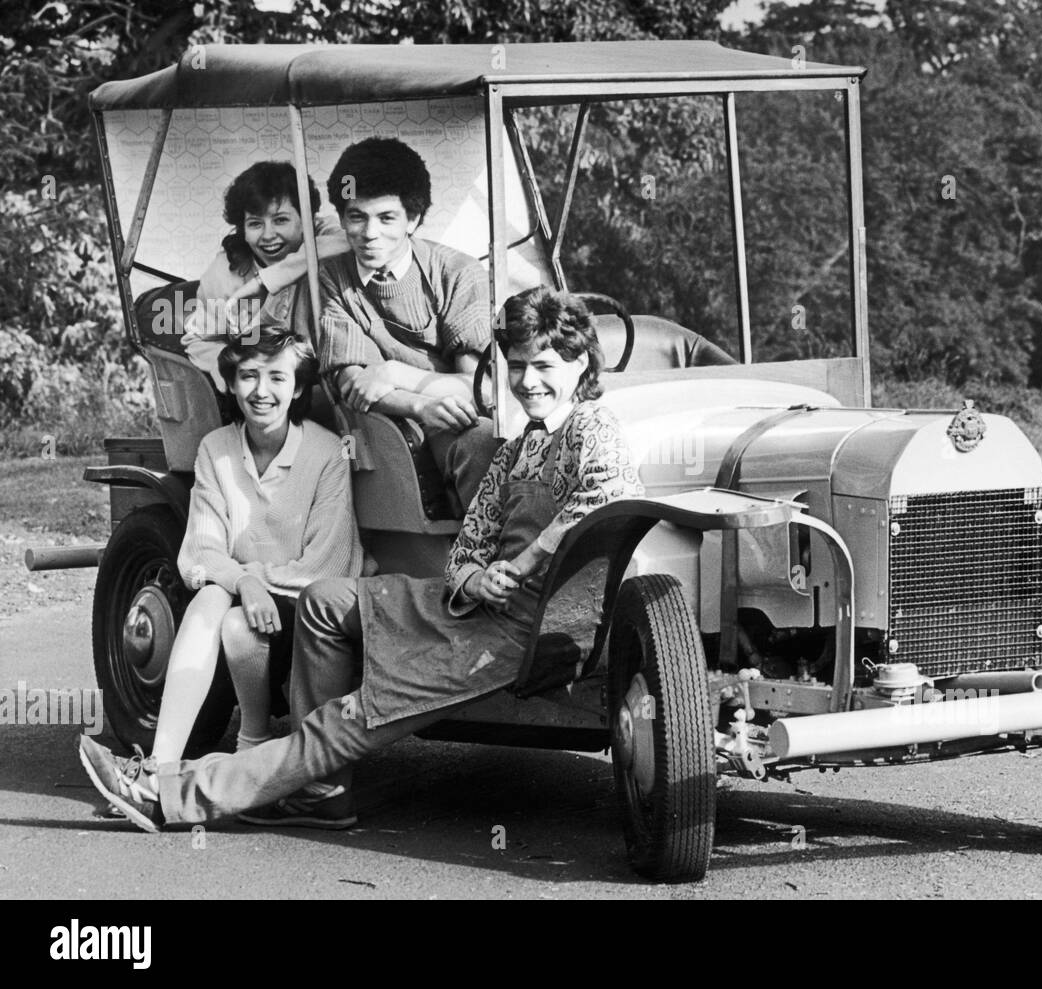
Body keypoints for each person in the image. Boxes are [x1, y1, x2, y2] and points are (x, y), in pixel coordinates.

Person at [78, 287, 643, 832]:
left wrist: (517, 568)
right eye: (517, 366)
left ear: (579, 363)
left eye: (543, 365)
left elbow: (605, 500)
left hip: (528, 631)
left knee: (343, 722)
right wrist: (473, 578)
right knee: (325, 601)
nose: (527, 381)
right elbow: (467, 550)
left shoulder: (596, 430)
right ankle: (320, 790)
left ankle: (167, 795)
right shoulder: (520, 447)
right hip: (478, 608)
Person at [103, 329, 363, 810]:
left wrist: (250, 581)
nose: (261, 391)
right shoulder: (215, 449)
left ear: (298, 388)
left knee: (235, 615)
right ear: (231, 384)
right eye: (248, 376)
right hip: (245, 599)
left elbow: (327, 564)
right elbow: (200, 551)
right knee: (223, 608)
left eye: (276, 377)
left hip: (309, 607)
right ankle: (162, 769)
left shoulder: (328, 452)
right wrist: (244, 582)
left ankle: (248, 743)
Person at [315, 136, 498, 512]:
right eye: (356, 216)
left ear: (412, 219)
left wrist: (394, 372)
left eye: (386, 218)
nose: (369, 234)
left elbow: (478, 390)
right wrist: (419, 407)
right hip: (388, 425)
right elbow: (354, 383)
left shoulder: (457, 272)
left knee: (480, 438)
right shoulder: (332, 278)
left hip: (458, 420)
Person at [181, 161, 349, 392]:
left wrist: (273, 277)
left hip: (332, 382)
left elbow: (353, 241)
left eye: (281, 220)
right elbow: (198, 339)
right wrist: (231, 365)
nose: (268, 235)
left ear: (307, 219)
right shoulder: (224, 272)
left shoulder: (325, 236)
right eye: (255, 224)